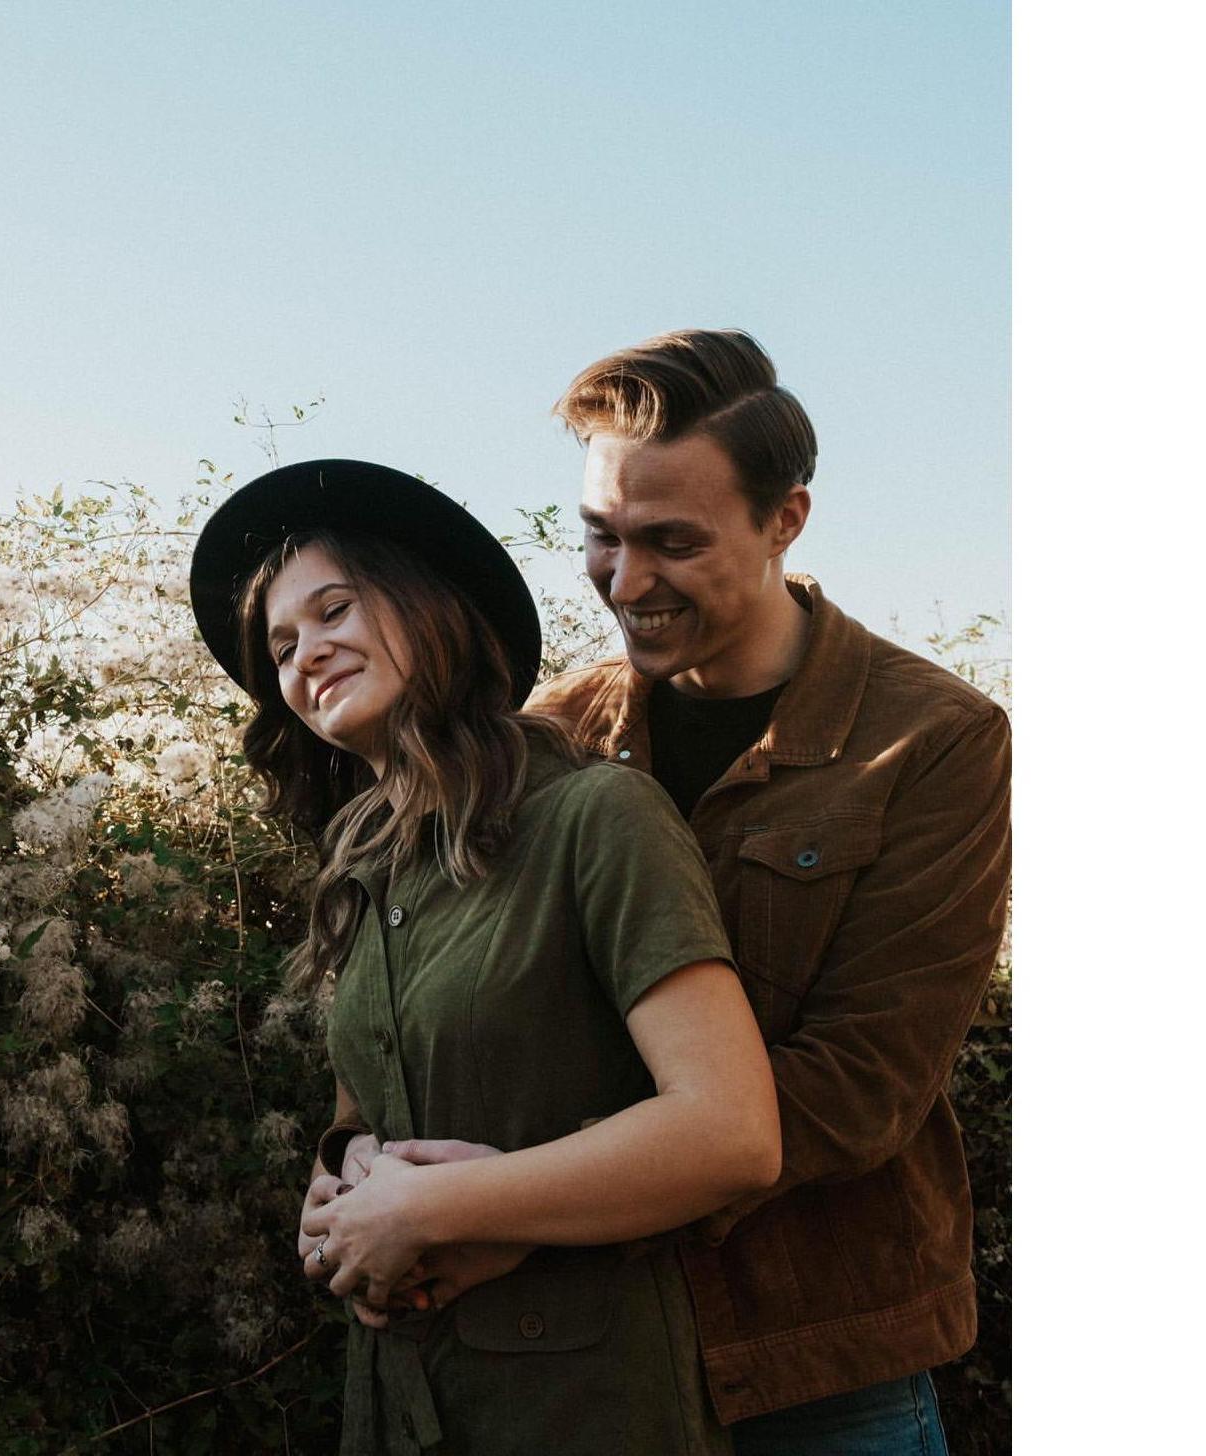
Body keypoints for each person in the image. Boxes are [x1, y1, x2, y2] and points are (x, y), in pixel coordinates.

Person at [333, 332, 1011, 1454]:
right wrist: (355, 1168)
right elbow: (439, 997)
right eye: (600, 535)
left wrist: (522, 1218)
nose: (625, 581)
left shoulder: (935, 741)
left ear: (785, 518)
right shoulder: (548, 732)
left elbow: (863, 1082)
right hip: (580, 1362)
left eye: (672, 543)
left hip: (815, 1361)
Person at [189, 459, 782, 1456]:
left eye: (334, 609)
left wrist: (437, 1204)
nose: (304, 655)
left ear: (432, 609)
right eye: (282, 645)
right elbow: (367, 1107)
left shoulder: (598, 817)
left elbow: (731, 1133)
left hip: (583, 1406)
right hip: (399, 1402)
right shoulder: (366, 874)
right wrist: (338, 1182)